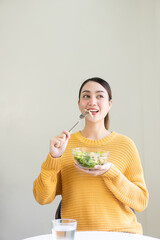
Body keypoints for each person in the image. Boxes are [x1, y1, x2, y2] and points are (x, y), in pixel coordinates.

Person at [33, 77, 149, 234]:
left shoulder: (125, 145)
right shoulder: (64, 146)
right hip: (77, 235)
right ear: (79, 104)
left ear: (109, 104)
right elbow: (42, 197)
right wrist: (53, 158)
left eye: (100, 96)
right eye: (86, 96)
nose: (92, 102)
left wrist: (111, 173)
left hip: (122, 234)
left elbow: (141, 201)